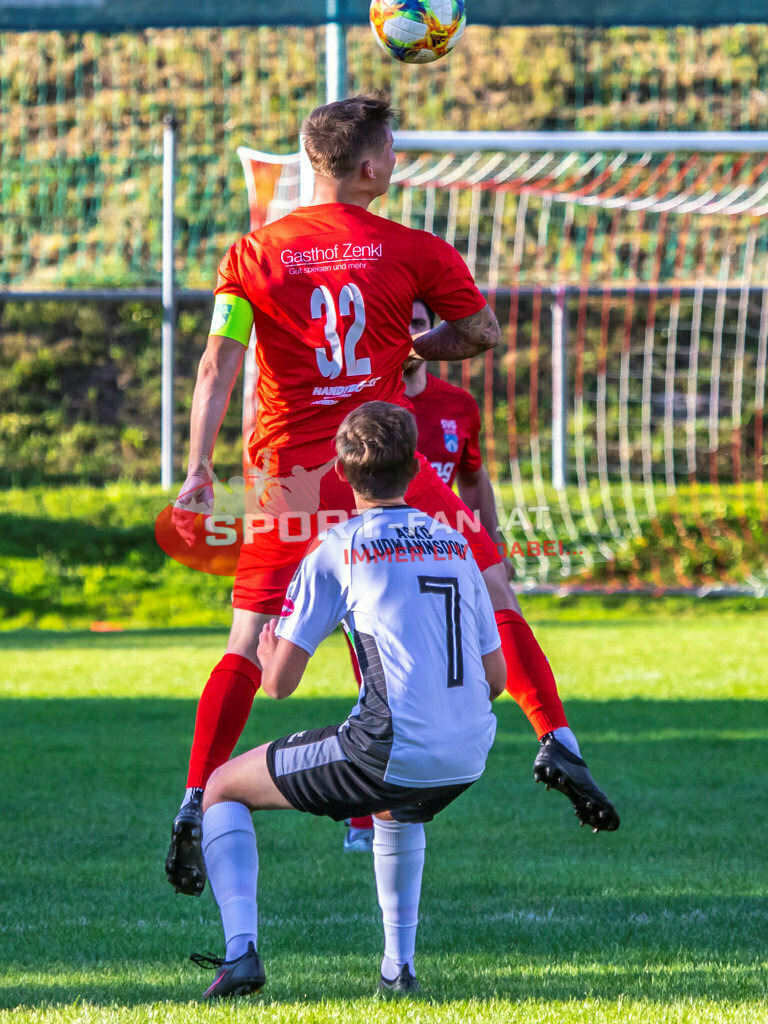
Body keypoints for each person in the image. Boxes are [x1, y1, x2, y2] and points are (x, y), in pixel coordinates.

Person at [165, 93, 618, 899]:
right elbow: (480, 334)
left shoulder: (253, 254)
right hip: (387, 467)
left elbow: (216, 365)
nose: (399, 160)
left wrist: (199, 465)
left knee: (247, 646)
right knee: (490, 584)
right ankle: (557, 737)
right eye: (394, 150)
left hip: (288, 478)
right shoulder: (414, 249)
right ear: (371, 166)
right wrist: (415, 343)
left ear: (312, 162)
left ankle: (197, 795)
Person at [191, 401, 508, 998]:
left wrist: (265, 645)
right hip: (469, 754)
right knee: (397, 804)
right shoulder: (454, 542)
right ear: (416, 467)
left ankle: (240, 955)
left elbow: (280, 684)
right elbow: (495, 680)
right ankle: (398, 968)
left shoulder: (338, 547)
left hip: (390, 750)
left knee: (221, 789)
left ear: (340, 472)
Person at [340, 300, 618, 853]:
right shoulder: (364, 407)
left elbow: (472, 477)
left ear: (433, 334)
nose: (412, 331)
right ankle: (372, 808)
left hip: (440, 536)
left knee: (494, 602)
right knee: (380, 660)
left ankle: (550, 737)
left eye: (421, 322)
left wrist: (490, 540)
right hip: (385, 538)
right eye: (404, 321)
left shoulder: (459, 406)